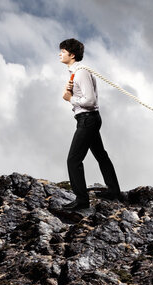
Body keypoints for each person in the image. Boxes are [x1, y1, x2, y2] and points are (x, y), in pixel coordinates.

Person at [59, 38, 121, 210]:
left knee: (73, 160)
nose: (60, 54)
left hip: (88, 119)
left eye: (63, 51)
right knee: (101, 155)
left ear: (72, 54)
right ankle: (114, 191)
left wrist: (69, 98)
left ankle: (82, 200)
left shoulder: (81, 73)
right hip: (88, 119)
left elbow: (90, 100)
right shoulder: (77, 72)